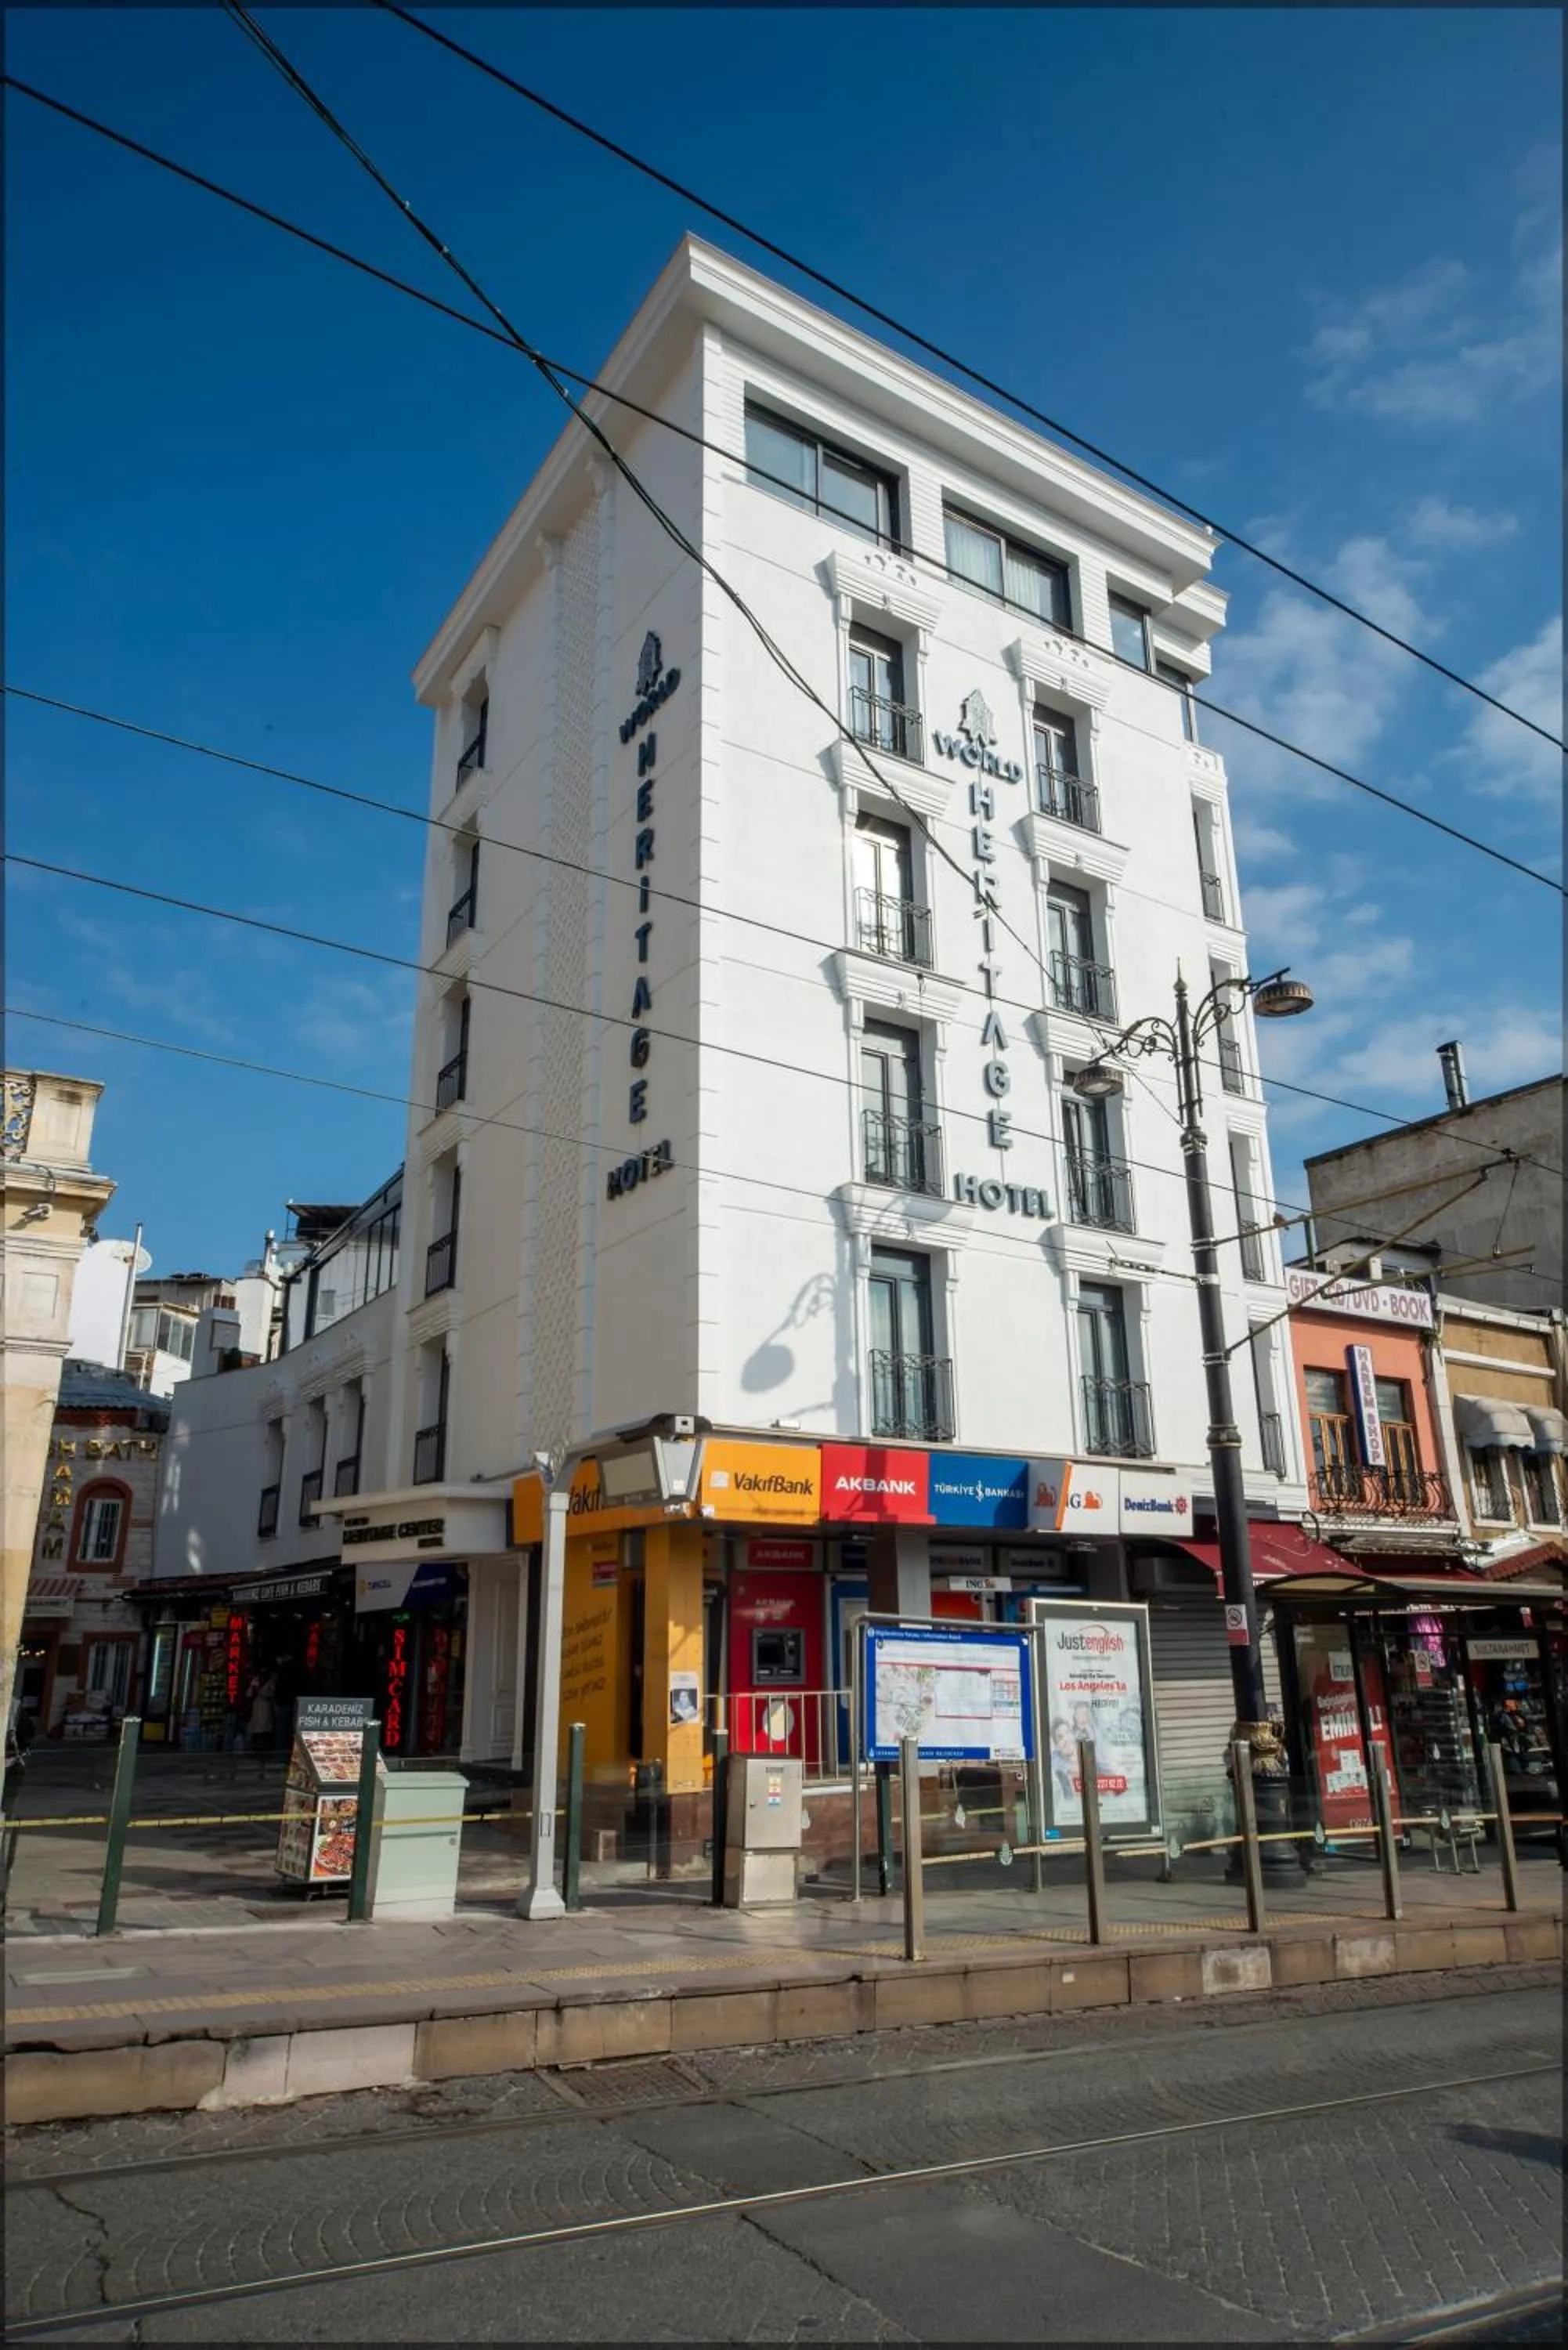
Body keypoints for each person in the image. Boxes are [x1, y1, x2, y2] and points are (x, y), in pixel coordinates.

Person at [246, 1672, 277, 1772]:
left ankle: (265, 1753)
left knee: (265, 1729)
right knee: (256, 1730)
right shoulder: (255, 1681)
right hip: (257, 1707)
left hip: (265, 1707)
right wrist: (252, 1686)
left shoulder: (271, 1681)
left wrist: (261, 1692)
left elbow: (272, 1695)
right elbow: (248, 1694)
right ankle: (256, 1751)